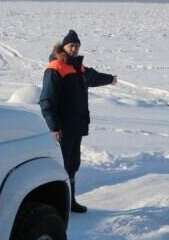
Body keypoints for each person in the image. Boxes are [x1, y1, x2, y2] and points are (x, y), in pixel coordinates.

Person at [39, 30, 117, 213]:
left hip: (77, 126)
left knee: (72, 164)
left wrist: (109, 79)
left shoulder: (78, 67)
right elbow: (46, 101)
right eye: (71, 45)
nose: (74, 49)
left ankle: (70, 202)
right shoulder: (56, 68)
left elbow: (93, 77)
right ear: (63, 47)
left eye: (76, 46)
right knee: (62, 165)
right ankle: (57, 205)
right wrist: (54, 126)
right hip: (63, 127)